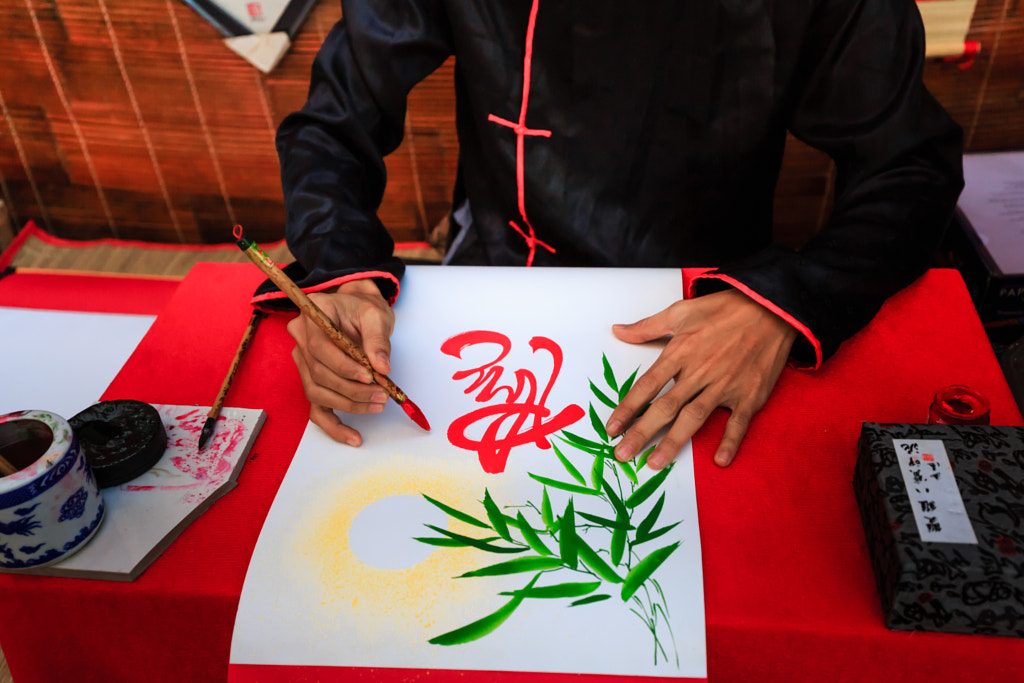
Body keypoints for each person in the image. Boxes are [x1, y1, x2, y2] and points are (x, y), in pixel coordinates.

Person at [259, 0, 963, 470]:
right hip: (499, 276)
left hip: (707, 310)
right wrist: (343, 275)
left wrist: (785, 299)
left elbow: (910, 163)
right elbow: (332, 124)